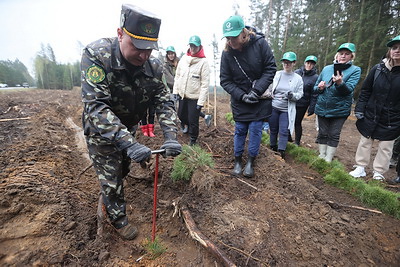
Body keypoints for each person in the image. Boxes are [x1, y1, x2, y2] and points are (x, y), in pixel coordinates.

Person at [80, 4, 182, 240]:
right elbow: (96, 106)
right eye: (138, 47)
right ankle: (118, 218)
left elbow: (164, 102)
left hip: (129, 126)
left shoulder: (153, 66)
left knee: (124, 166)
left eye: (149, 49)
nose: (144, 55)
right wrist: (129, 142)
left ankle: (113, 185)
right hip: (101, 130)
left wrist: (170, 136)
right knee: (112, 176)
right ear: (120, 34)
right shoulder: (97, 55)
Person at [220, 15, 276, 178]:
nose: (231, 42)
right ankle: (238, 160)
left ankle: (251, 161)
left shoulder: (260, 44)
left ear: (244, 33)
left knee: (256, 129)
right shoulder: (227, 53)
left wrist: (256, 91)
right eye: (228, 38)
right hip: (240, 99)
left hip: (259, 97)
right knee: (240, 129)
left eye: (234, 37)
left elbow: (270, 68)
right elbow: (225, 80)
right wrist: (242, 96)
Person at [349, 35, 400, 181]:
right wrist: (360, 108)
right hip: (372, 111)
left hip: (393, 117)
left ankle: (379, 172)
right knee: (365, 140)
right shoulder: (378, 69)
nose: (397, 51)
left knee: (386, 146)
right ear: (390, 51)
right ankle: (360, 167)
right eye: (394, 48)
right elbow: (365, 90)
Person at [314, 42, 361, 162]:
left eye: (347, 54)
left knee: (334, 134)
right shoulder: (327, 69)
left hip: (340, 109)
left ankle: (328, 159)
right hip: (322, 107)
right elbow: (315, 88)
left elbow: (348, 90)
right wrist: (319, 87)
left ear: (352, 56)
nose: (343, 56)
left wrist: (340, 83)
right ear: (337, 55)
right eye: (341, 53)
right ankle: (322, 155)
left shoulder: (355, 70)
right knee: (322, 133)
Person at [173, 35, 210, 145]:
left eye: (195, 46)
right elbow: (178, 76)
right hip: (182, 95)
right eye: (191, 46)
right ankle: (186, 126)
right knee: (181, 115)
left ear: (200, 47)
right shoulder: (184, 59)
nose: (193, 49)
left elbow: (205, 84)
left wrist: (201, 102)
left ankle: (193, 139)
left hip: (195, 97)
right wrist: (175, 92)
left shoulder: (203, 62)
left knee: (193, 121)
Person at [268, 52, 304, 159]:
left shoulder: (298, 78)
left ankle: (281, 151)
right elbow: (270, 87)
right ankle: (272, 147)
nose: (286, 64)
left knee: (284, 130)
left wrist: (292, 95)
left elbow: (300, 94)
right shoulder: (277, 74)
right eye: (285, 62)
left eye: (289, 62)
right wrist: (270, 94)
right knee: (273, 129)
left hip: (286, 110)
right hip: (274, 107)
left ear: (294, 63)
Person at [293, 55, 319, 146]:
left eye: (312, 64)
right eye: (308, 63)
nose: (309, 65)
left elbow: (314, 94)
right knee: (288, 120)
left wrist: (312, 107)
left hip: (303, 103)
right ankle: (287, 137)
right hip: (292, 101)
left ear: (314, 65)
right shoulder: (296, 72)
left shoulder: (315, 77)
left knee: (297, 122)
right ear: (304, 63)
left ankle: (297, 141)